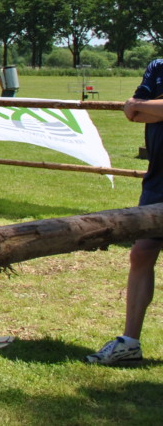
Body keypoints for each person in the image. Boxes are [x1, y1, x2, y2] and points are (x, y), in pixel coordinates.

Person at [86, 58, 163, 365]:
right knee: (141, 253)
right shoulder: (157, 66)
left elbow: (141, 108)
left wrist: (147, 108)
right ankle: (130, 342)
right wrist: (143, 107)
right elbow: (132, 109)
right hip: (158, 180)